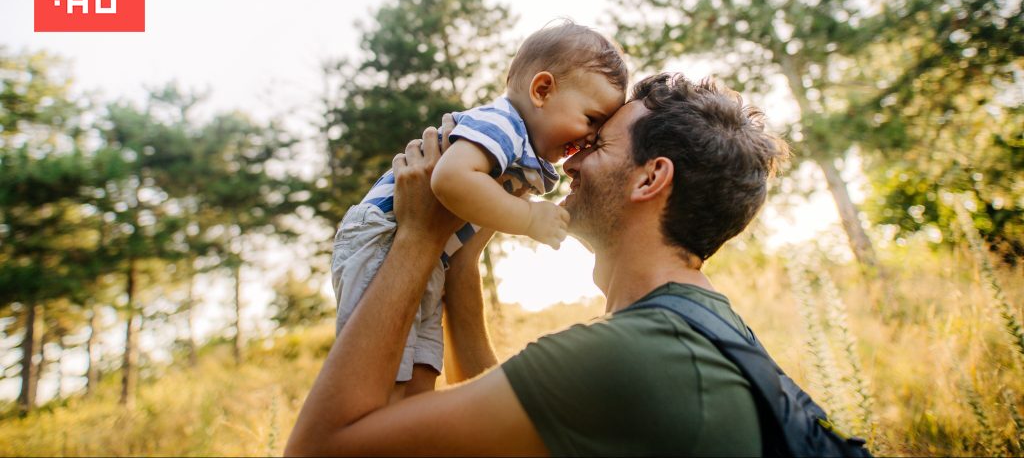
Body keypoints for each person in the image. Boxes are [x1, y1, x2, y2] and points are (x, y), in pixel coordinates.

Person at [287, 73, 789, 456]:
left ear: (650, 179)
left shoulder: (624, 356)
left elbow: (320, 449)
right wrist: (460, 259)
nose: (568, 163)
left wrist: (417, 236)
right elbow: (498, 419)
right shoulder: (711, 331)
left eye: (595, 144)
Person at [330, 20, 628, 400]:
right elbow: (450, 179)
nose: (590, 137)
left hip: (431, 254)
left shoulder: (523, 153)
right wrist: (529, 217)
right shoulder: (501, 124)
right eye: (591, 119)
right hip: (383, 237)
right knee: (381, 376)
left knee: (421, 373)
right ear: (542, 90)